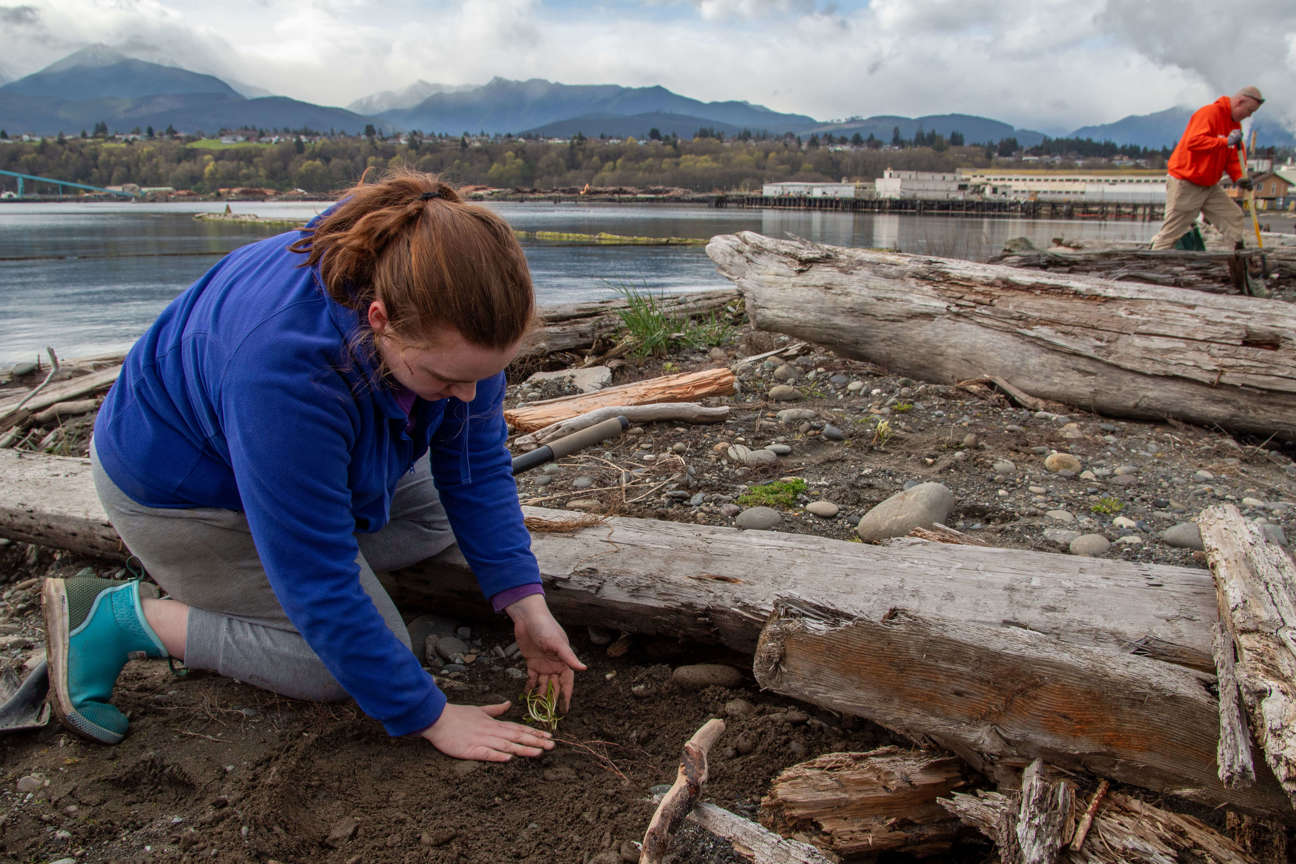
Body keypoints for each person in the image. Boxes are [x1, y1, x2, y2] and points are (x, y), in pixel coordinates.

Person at [41, 171, 586, 761]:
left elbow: (475, 468)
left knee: (435, 522)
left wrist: (525, 605)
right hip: (185, 494)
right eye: (446, 378)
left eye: (481, 377)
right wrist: (428, 715)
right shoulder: (283, 372)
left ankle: (258, 577)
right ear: (380, 319)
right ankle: (121, 616)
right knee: (325, 667)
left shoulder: (431, 277)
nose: (465, 395)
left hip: (311, 459)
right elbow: (316, 578)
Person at [1148, 86, 1264, 250]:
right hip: (1186, 181)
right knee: (1174, 230)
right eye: (1249, 110)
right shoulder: (1209, 113)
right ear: (1240, 102)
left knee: (1233, 217)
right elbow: (1194, 142)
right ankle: (1154, 261)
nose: (1249, 115)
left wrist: (1240, 177)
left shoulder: (1235, 126)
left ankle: (1238, 259)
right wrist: (1225, 142)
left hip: (1209, 184)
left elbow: (1233, 157)